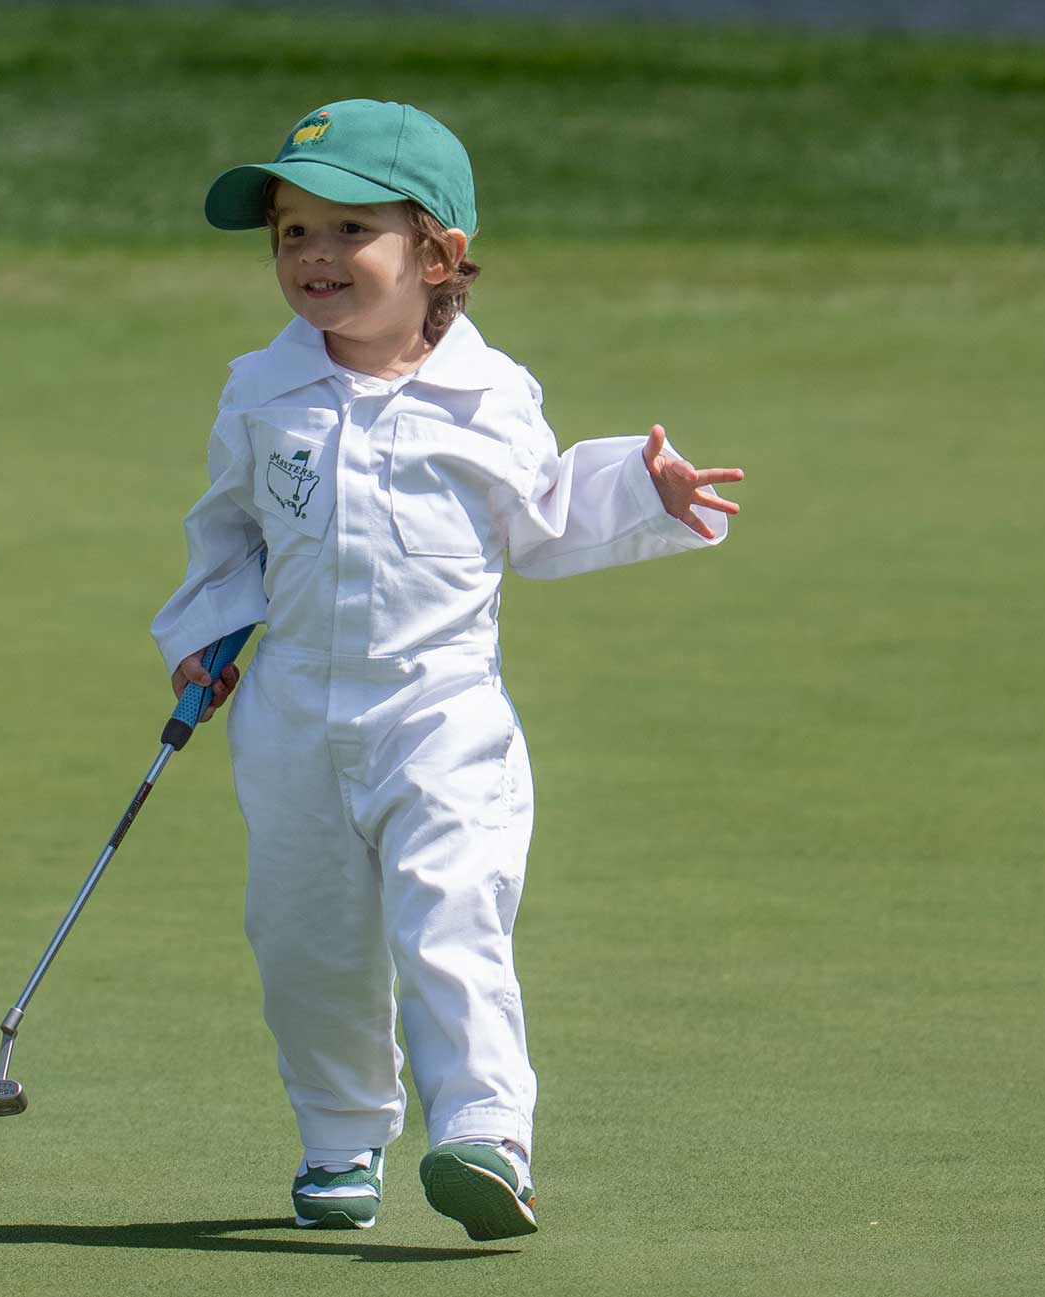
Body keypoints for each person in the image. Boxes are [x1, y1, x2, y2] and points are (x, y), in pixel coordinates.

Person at [150, 99, 743, 1239]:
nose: (313, 257)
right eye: (290, 234)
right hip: (289, 717)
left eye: (348, 230)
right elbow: (226, 531)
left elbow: (547, 517)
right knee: (304, 939)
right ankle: (337, 1140)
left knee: (451, 914)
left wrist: (643, 489)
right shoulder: (258, 390)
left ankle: (483, 1135)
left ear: (437, 255)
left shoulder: (490, 392)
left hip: (440, 711)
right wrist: (204, 629)